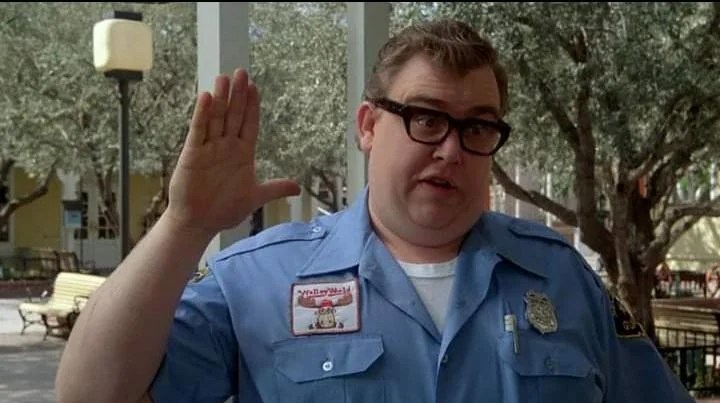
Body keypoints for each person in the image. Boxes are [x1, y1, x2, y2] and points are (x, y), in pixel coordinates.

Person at [55, 19, 694, 403]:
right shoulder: (257, 281)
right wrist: (184, 226)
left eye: (477, 127)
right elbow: (90, 394)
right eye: (426, 118)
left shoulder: (563, 279)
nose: (451, 150)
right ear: (368, 125)